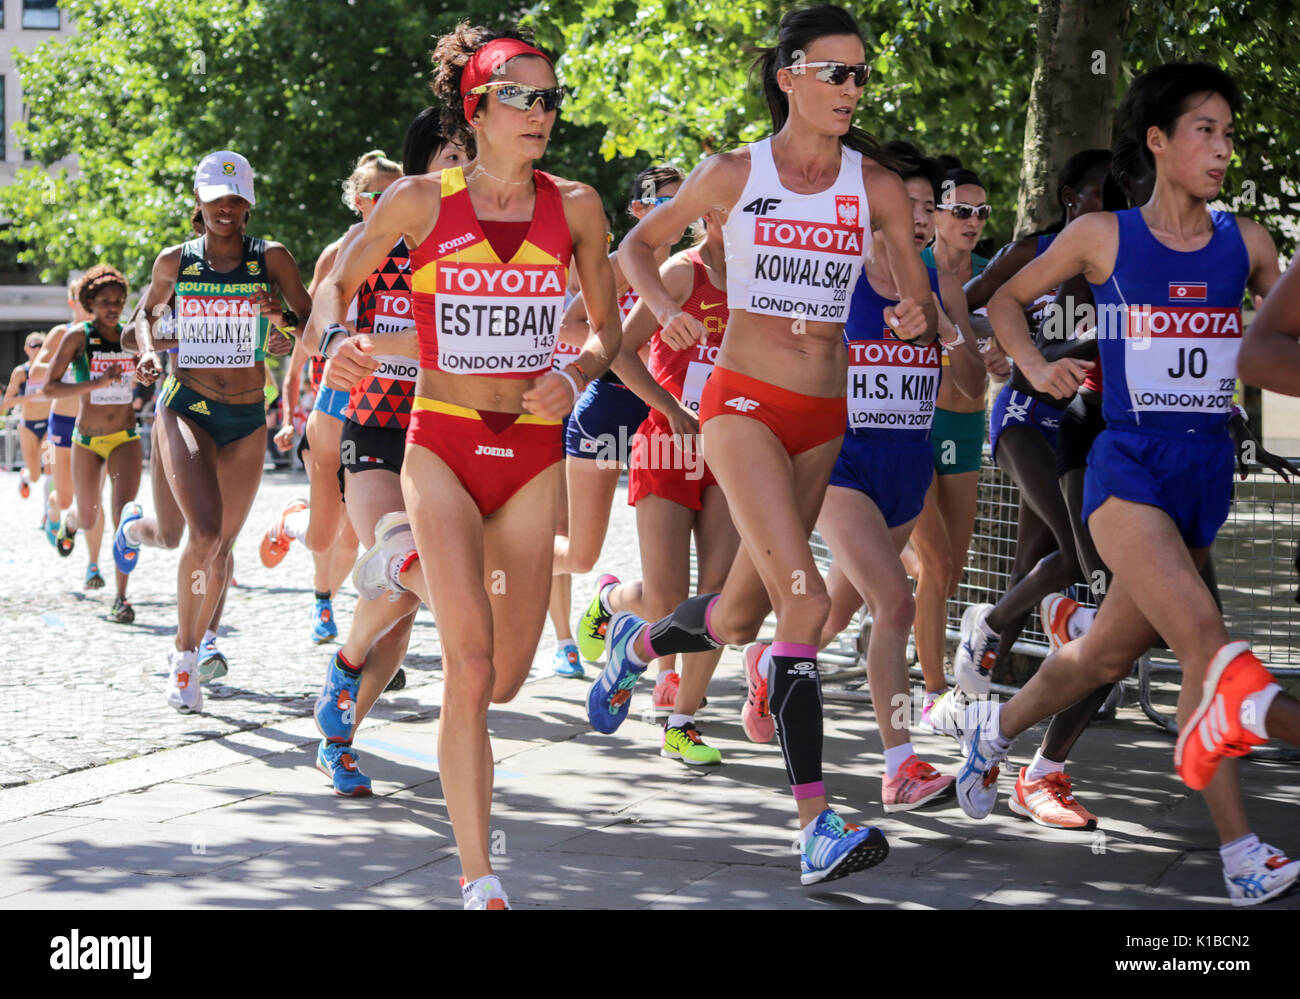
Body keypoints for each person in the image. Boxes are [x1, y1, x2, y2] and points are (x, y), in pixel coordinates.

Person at [593, 4, 934, 885]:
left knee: (738, 616)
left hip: (825, 413)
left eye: (861, 75)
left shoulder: (878, 186)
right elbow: (636, 246)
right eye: (836, 73)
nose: (853, 89)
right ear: (789, 76)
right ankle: (815, 824)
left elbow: (919, 301)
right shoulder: (735, 173)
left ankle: (631, 644)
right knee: (806, 601)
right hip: (740, 402)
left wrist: (911, 312)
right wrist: (666, 311)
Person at [961, 62, 1299, 906]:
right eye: (1205, 130)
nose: (1223, 149)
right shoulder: (1103, 236)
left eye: (1229, 132)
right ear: (1158, 140)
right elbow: (1003, 301)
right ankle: (1242, 852)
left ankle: (991, 730)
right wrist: (1036, 367)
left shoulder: (1248, 242)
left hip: (1203, 477)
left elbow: (1277, 337)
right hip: (1126, 469)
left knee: (1106, 652)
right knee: (1202, 639)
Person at [309, 22, 619, 909]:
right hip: (439, 442)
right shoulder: (417, 201)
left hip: (529, 457)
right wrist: (334, 338)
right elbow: (337, 280)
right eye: (521, 95)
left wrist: (573, 372)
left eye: (551, 97)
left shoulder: (581, 206)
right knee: (470, 667)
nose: (541, 112)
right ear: (475, 107)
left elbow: (608, 326)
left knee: (510, 674)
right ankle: (479, 875)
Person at [809, 144, 984, 810]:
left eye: (926, 207)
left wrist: (945, 330)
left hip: (907, 467)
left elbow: (970, 386)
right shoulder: (841, 274)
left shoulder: (939, 285)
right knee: (897, 601)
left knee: (835, 608)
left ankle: (771, 662)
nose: (919, 218)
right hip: (842, 464)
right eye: (908, 204)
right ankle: (900, 764)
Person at [311, 111, 472, 796]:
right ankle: (346, 689)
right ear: (419, 165)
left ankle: (342, 704)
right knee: (402, 558)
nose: (464, 166)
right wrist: (336, 342)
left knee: (400, 613)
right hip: (375, 428)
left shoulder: (480, 245)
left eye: (472, 153)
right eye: (452, 153)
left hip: (447, 430)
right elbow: (328, 296)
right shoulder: (374, 236)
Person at [118, 150, 306, 711]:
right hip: (188, 407)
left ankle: (197, 642)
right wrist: (154, 351)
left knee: (220, 544)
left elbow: (310, 325)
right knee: (198, 536)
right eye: (215, 200)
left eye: (235, 200)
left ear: (248, 205)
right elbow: (137, 328)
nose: (225, 209)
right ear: (198, 205)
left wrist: (280, 323)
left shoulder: (270, 258)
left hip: (248, 415)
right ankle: (183, 658)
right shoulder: (177, 261)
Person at [580, 210, 739, 765]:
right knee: (668, 599)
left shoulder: (764, 279)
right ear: (712, 216)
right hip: (668, 443)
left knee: (716, 598)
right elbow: (617, 349)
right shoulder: (681, 273)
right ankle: (611, 605)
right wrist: (668, 407)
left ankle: (683, 720)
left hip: (731, 451)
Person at [259, 150, 402, 643]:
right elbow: (308, 332)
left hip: (394, 400)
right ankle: (291, 520)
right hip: (339, 398)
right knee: (324, 533)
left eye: (399, 192)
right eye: (382, 194)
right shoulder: (336, 253)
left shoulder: (421, 247)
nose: (394, 202)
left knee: (373, 528)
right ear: (359, 200)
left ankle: (368, 634)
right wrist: (288, 403)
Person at [557, 164, 685, 685]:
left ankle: (665, 671)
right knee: (580, 552)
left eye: (682, 202)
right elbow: (567, 326)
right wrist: (617, 352)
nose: (673, 212)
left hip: (665, 416)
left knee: (670, 563)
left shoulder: (687, 268)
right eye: (662, 202)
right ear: (637, 210)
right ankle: (504, 561)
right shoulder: (613, 266)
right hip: (608, 409)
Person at [905, 162, 994, 724]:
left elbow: (1006, 335)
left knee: (949, 566)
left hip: (966, 427)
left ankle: (892, 576)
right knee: (935, 565)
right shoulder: (906, 269)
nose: (972, 221)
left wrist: (1002, 346)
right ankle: (934, 687)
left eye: (981, 212)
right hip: (913, 424)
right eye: (960, 210)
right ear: (934, 214)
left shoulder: (993, 271)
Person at [42, 265, 142, 623]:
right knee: (88, 516)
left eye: (118, 301)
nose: (113, 307)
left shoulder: (132, 334)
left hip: (125, 437)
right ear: (90, 302)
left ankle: (122, 598)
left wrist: (149, 369)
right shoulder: (78, 337)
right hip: (86, 439)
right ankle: (69, 524)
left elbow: (153, 364)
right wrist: (95, 385)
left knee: (124, 518)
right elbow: (49, 387)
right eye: (104, 302)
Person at [29, 274, 108, 586]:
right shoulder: (62, 333)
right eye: (84, 301)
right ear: (73, 302)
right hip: (63, 425)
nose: (90, 308)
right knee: (64, 499)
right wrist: (67, 358)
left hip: (97, 425)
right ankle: (53, 512)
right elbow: (36, 372)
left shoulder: (106, 335)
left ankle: (93, 567)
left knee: (94, 499)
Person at [1, 332, 52, 510]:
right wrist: (30, 398)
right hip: (29, 426)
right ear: (26, 349)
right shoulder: (21, 372)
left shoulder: (52, 369)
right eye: (33, 345)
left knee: (50, 469)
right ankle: (25, 477)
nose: (37, 349)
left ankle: (48, 513)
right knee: (36, 475)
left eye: (41, 345)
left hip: (49, 425)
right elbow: (6, 403)